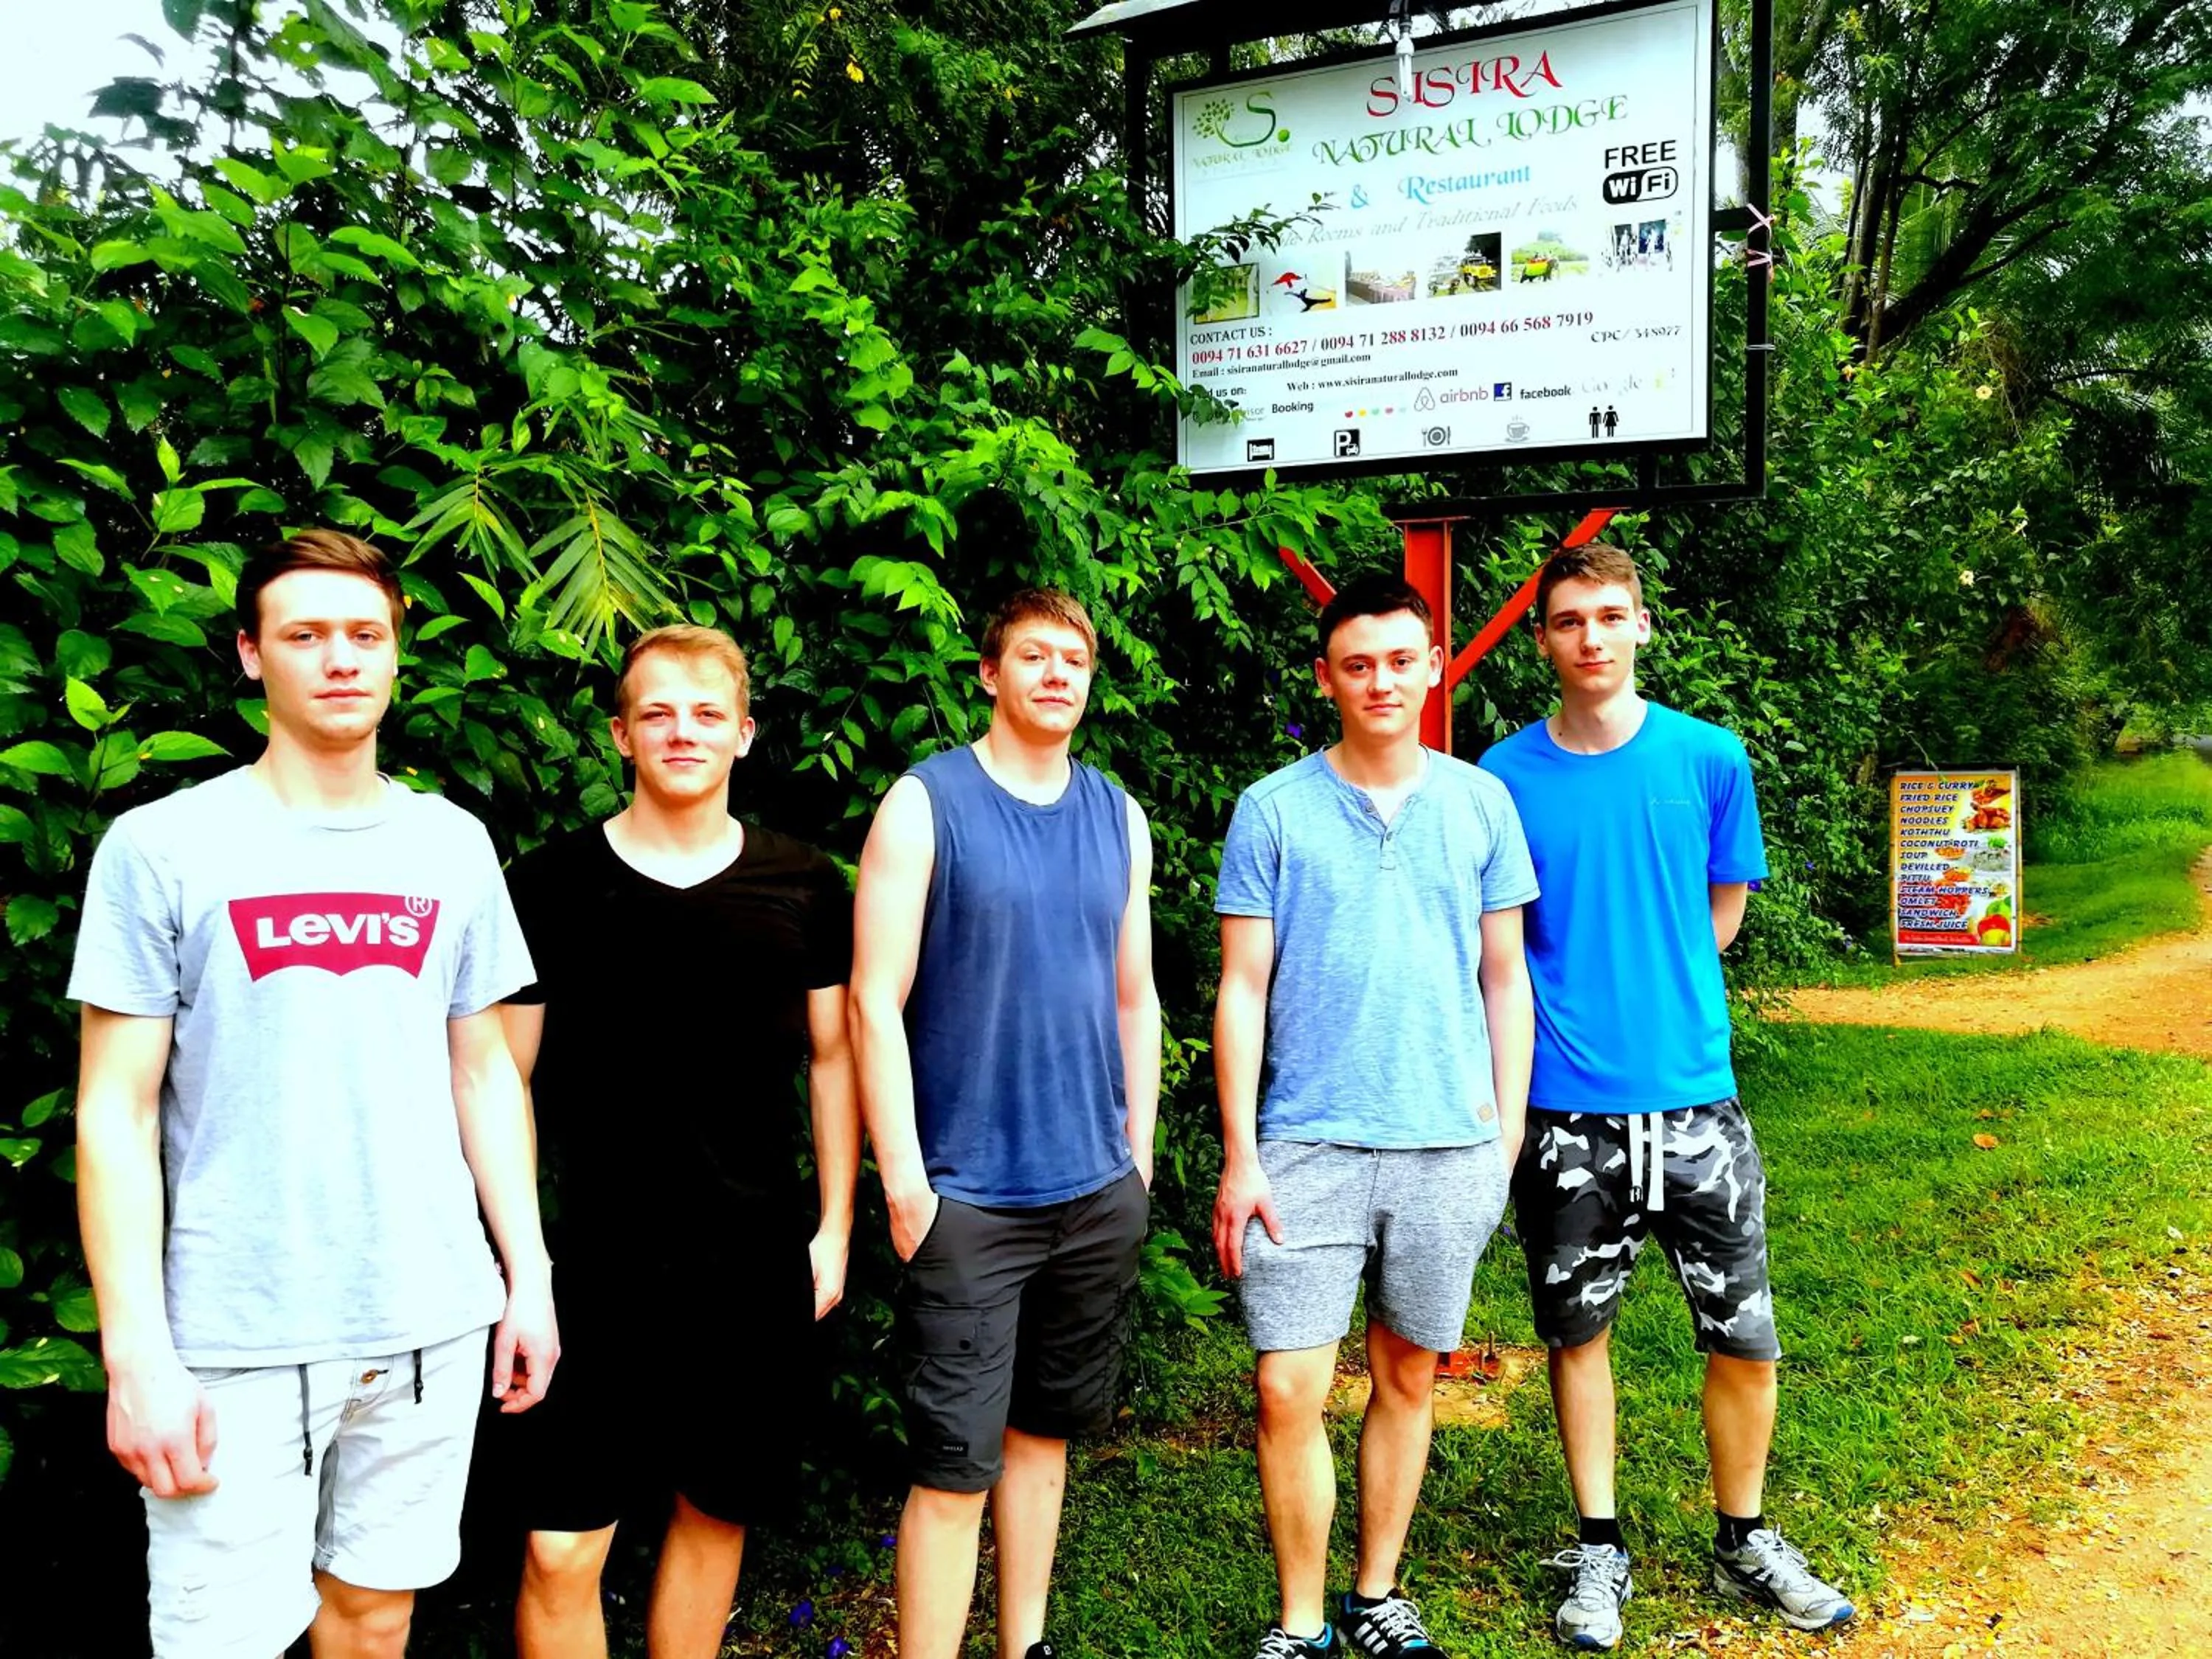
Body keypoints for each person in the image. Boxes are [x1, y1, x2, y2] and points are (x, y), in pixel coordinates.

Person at [71, 530, 556, 1659]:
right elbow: (115, 1111)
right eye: (304, 635)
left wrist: (526, 1275)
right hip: (233, 1334)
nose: (339, 659)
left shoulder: (452, 844)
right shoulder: (162, 847)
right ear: (251, 655)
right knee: (220, 1642)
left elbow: (483, 1068)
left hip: (434, 1315)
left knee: (377, 1614)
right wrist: (135, 1352)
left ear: (395, 659)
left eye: (364, 635)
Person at [1476, 545, 1855, 1649]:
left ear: (1643, 625)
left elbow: (1722, 913)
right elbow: (1499, 945)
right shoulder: (1502, 777)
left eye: (1610, 615)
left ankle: (1744, 1533)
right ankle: (1599, 1544)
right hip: (1565, 1111)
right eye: (1568, 621)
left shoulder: (1709, 758)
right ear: (1543, 640)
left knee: (1744, 1334)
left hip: (1698, 1104)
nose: (1591, 636)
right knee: (1576, 1333)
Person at [493, 625, 858, 1658]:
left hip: (752, 1256)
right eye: (657, 712)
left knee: (713, 1513)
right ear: (620, 734)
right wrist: (524, 1258)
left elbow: (834, 1060)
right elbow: (500, 1077)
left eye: (706, 713)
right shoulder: (551, 885)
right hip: (592, 1263)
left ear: (744, 732)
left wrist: (833, 1228)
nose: (681, 731)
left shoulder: (805, 884)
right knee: (562, 1551)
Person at [1212, 574, 1538, 1659]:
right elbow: (1242, 986)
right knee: (1287, 1384)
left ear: (1435, 663)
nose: (1382, 680)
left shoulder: (1481, 802)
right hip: (1304, 1142)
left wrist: (1505, 1136)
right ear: (1326, 677)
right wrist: (1240, 1154)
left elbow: (1505, 977)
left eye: (1402, 659)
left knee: (1408, 1374)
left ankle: (1377, 1591)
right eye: (1359, 664)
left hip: (1448, 1138)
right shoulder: (1273, 808)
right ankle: (1300, 1619)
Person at [849, 588, 1158, 1659]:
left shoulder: (1118, 814)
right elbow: (870, 999)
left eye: (1075, 657)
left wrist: (1140, 1158)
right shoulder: (926, 803)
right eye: (1034, 654)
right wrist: (904, 1182)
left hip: (1094, 1188)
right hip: (966, 1194)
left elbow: (1135, 995)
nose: (1058, 673)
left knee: (1043, 1439)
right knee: (950, 1468)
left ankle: (1025, 1645)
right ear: (991, 673)